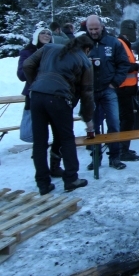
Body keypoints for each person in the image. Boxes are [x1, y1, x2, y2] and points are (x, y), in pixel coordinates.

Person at [23, 35, 96, 195]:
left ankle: (43, 183)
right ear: (87, 49)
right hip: (59, 98)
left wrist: (35, 83)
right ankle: (71, 179)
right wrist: (88, 117)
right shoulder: (84, 61)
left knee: (40, 141)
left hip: (36, 96)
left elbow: (27, 64)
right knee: (67, 138)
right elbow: (87, 93)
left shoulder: (48, 48)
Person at [17, 26, 66, 176]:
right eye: (42, 33)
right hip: (35, 96)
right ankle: (42, 174)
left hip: (54, 96)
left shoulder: (56, 51)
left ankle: (55, 166)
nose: (45, 35)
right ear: (36, 36)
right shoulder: (27, 53)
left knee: (59, 135)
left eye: (48, 33)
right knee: (40, 139)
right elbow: (21, 73)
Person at [86, 15, 131, 170]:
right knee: (94, 126)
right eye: (90, 29)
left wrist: (115, 82)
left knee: (114, 123)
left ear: (102, 26)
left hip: (108, 89)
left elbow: (124, 64)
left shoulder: (113, 43)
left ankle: (115, 157)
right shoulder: (82, 44)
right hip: (90, 91)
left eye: (96, 29)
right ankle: (95, 158)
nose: (93, 32)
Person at [115, 31, 139, 161]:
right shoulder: (120, 44)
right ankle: (122, 150)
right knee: (127, 119)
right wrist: (137, 66)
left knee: (126, 119)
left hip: (126, 88)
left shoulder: (123, 44)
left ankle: (122, 147)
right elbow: (121, 66)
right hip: (122, 88)